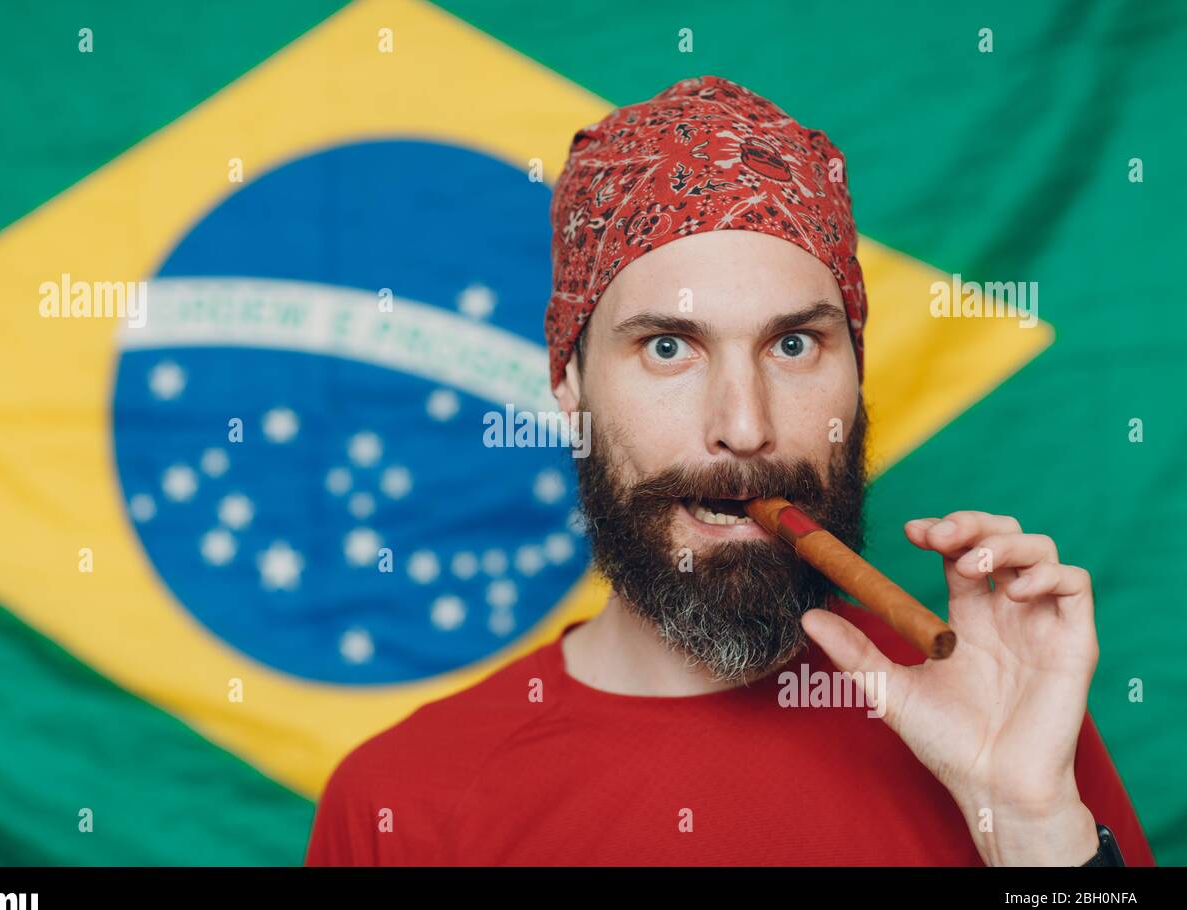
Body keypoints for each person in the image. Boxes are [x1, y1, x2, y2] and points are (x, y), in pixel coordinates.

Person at [305, 75, 1154, 866]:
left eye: (794, 344)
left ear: (856, 375)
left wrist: (1037, 830)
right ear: (568, 383)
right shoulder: (402, 803)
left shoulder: (1001, 713)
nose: (744, 428)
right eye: (668, 347)